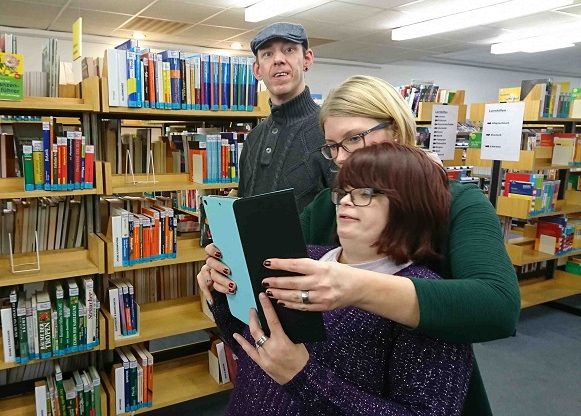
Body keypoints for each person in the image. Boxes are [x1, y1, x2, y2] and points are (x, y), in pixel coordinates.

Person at [201, 75, 520, 416]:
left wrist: (355, 286)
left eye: (353, 139)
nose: (340, 159)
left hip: (420, 380)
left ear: (396, 129)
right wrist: (225, 276)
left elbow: (497, 307)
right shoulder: (329, 203)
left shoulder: (459, 204)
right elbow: (276, 278)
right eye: (332, 146)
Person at [198, 142, 473, 415]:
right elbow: (254, 354)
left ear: (412, 204)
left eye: (364, 192)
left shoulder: (425, 298)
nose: (344, 200)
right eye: (343, 191)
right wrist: (221, 294)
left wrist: (303, 376)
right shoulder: (303, 257)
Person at [237, 22, 332, 213]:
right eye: (267, 54)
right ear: (257, 70)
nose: (278, 59)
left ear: (307, 59)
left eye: (289, 50)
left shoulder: (330, 132)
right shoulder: (253, 138)